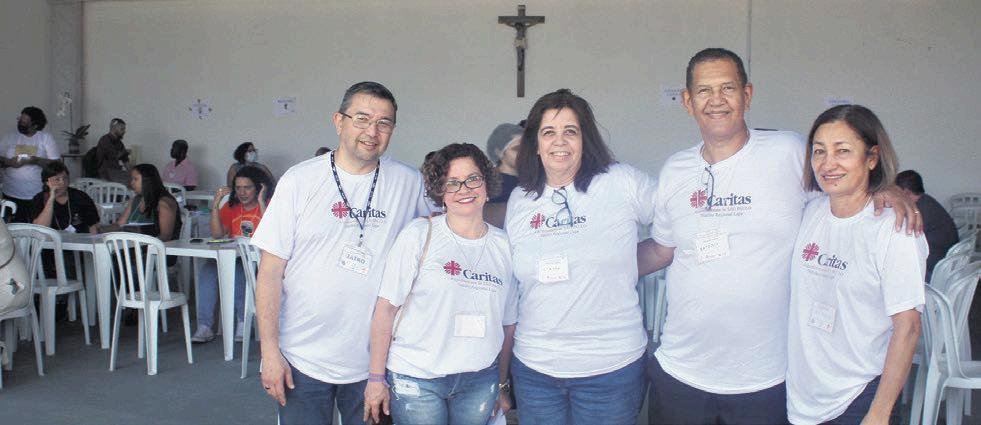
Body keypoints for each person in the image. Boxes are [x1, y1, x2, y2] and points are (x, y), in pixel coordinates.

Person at [638, 48, 920, 425]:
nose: (716, 100)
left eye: (728, 88)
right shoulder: (675, 170)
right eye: (704, 90)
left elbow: (842, 181)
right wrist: (598, 265)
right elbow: (661, 249)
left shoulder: (788, 152)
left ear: (747, 95)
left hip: (767, 379)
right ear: (688, 101)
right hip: (682, 371)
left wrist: (885, 189)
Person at [251, 81, 431, 425]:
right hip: (301, 358)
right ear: (339, 121)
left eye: (383, 123)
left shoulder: (409, 183)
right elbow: (270, 271)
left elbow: (440, 236)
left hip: (375, 364)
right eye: (362, 119)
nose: (372, 132)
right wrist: (269, 352)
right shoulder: (300, 180)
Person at [504, 89, 655, 425]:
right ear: (536, 143)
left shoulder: (621, 182)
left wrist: (632, 262)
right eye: (549, 132)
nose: (559, 141)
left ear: (585, 139)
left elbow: (677, 224)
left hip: (610, 368)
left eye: (570, 131)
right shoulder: (521, 200)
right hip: (535, 369)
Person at [787, 105, 924, 424]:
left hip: (858, 399)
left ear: (872, 157)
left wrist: (879, 413)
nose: (828, 163)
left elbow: (908, 328)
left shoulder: (893, 229)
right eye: (819, 151)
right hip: (802, 399)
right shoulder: (810, 211)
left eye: (843, 150)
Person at [364, 143, 517, 425]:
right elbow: (385, 309)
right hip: (417, 378)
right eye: (452, 182)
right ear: (440, 192)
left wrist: (502, 383)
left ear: (486, 184)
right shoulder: (419, 235)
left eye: (473, 179)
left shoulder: (505, 246)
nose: (464, 189)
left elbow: (508, 325)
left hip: (479, 379)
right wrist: (376, 378)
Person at [191, 166, 271, 343]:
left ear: (259, 187)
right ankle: (205, 326)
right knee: (207, 271)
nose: (242, 193)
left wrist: (261, 201)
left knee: (240, 272)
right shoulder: (231, 206)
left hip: (260, 262)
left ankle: (244, 322)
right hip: (234, 256)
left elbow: (271, 232)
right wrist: (215, 205)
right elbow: (217, 235)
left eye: (247, 187)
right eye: (238, 188)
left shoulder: (268, 204)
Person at [1, 107, 61, 223]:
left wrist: (35, 160)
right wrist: (10, 162)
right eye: (20, 120)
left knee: (35, 226)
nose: (20, 124)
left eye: (24, 123)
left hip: (36, 194)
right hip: (11, 193)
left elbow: (56, 164)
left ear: (35, 126)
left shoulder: (45, 138)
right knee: (12, 227)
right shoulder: (9, 137)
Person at [896, 170, 959, 279]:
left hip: (935, 267)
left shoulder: (920, 211)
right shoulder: (926, 201)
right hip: (945, 260)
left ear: (906, 192)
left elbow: (907, 243)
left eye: (896, 192)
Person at [102, 164, 181, 242]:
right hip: (132, 246)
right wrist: (100, 229)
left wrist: (143, 244)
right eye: (132, 179)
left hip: (155, 248)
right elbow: (119, 225)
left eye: (135, 179)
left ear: (148, 180)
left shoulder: (163, 204)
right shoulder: (136, 200)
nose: (132, 183)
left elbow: (166, 237)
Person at [29, 161, 100, 234]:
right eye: (57, 179)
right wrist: (51, 199)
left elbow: (93, 226)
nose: (62, 182)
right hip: (51, 240)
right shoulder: (39, 199)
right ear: (47, 182)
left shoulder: (80, 196)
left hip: (78, 239)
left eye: (65, 178)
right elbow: (40, 229)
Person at [486, 123, 523, 203]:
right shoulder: (494, 185)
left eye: (525, 148)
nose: (523, 153)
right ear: (499, 152)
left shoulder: (530, 180)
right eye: (516, 149)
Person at [95, 118, 130, 185]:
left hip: (115, 172)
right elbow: (113, 156)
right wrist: (125, 152)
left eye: (124, 129)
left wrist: (133, 172)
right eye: (122, 129)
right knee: (129, 182)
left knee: (135, 179)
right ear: (114, 128)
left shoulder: (119, 143)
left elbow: (126, 161)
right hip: (105, 173)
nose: (124, 131)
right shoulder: (105, 140)